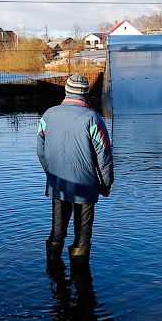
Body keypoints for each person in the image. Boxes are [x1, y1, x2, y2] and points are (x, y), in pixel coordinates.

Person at [37, 73, 114, 265]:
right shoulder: (93, 119)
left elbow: (41, 151)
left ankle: (53, 269)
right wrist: (106, 184)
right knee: (82, 234)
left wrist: (52, 175)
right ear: (86, 94)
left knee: (57, 230)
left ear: (66, 91)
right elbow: (104, 156)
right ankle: (80, 276)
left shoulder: (48, 115)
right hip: (85, 188)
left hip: (58, 185)